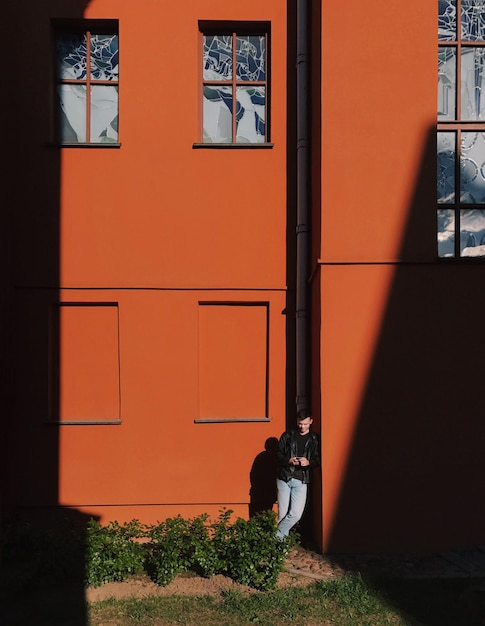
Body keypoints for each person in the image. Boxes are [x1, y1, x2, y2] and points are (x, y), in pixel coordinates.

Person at [275, 410, 320, 539]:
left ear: (311, 421)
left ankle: (274, 538)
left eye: (305, 424)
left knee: (295, 514)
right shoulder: (288, 435)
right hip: (284, 478)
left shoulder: (314, 439)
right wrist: (288, 460)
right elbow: (278, 454)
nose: (302, 426)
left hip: (301, 480)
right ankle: (280, 550)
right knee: (283, 514)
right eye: (300, 423)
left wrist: (308, 462)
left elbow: (317, 459)